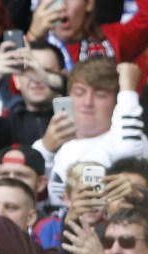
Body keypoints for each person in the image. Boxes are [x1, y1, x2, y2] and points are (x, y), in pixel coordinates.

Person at [35, 58, 148, 207]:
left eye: (100, 95)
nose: (87, 102)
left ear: (117, 101)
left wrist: (128, 91)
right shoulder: (55, 144)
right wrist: (45, 150)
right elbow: (28, 196)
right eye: (80, 92)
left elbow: (127, 151)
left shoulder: (128, 141)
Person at [0, 39, 64, 153]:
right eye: (29, 70)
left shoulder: (79, 117)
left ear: (61, 76)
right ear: (16, 80)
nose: (36, 78)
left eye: (46, 71)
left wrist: (48, 79)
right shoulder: (8, 127)